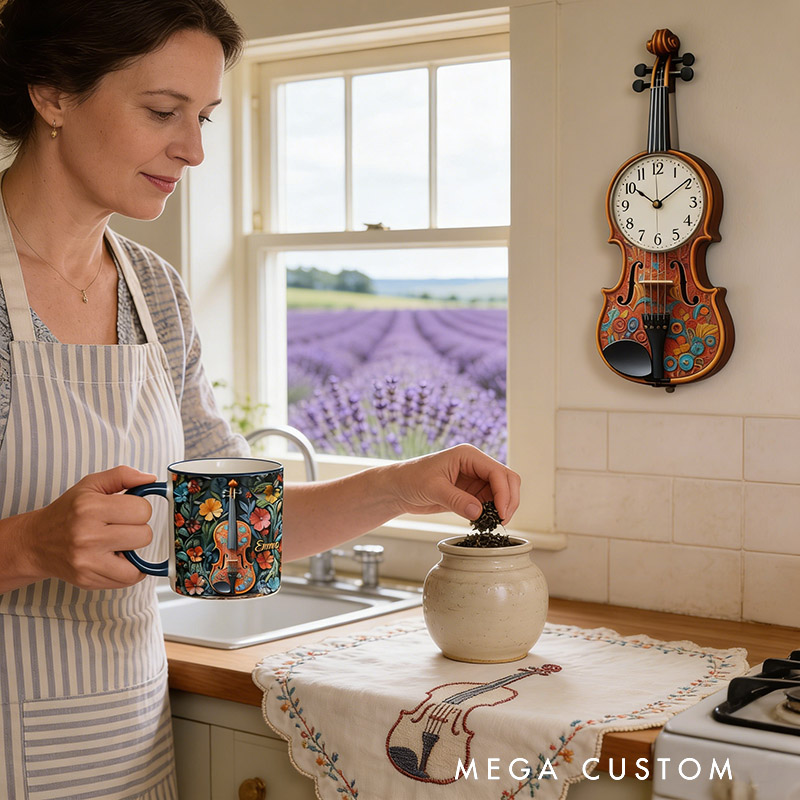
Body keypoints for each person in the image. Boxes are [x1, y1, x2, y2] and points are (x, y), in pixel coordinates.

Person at [0, 0, 521, 797]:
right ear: (54, 94)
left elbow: (233, 531)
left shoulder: (154, 293)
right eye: (163, 111)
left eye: (203, 116)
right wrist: (27, 546)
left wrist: (402, 483)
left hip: (120, 746)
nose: (195, 149)